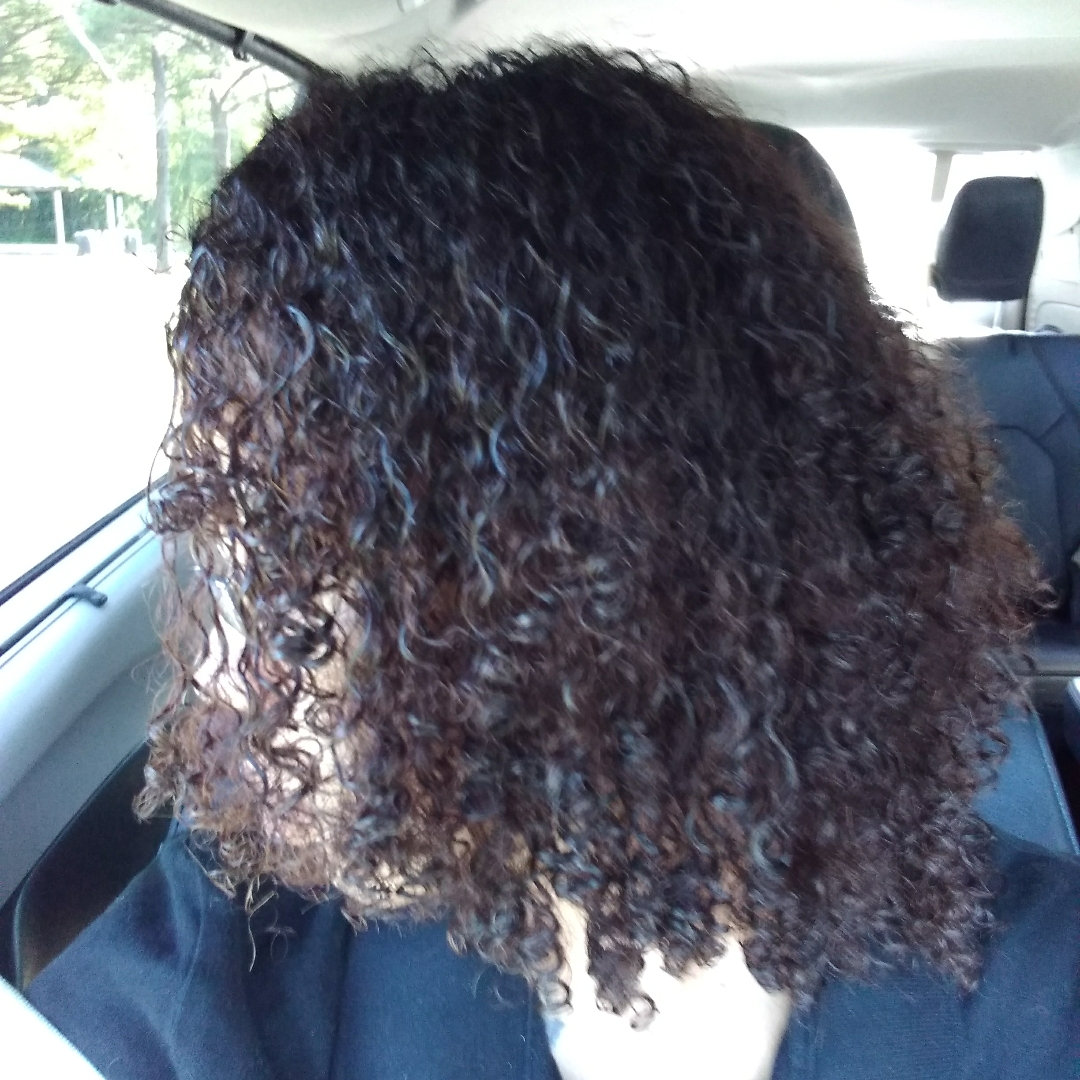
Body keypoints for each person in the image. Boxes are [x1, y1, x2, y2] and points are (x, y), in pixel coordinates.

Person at [26, 47, 1080, 1079]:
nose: (223, 678)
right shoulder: (254, 923)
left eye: (299, 596)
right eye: (221, 567)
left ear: (595, 574)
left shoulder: (1038, 1000)